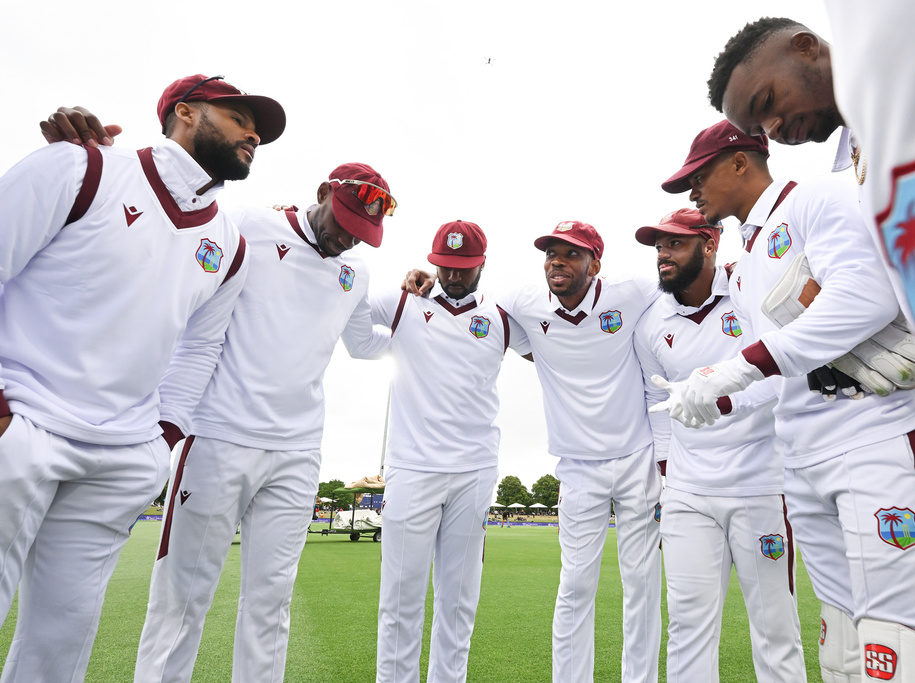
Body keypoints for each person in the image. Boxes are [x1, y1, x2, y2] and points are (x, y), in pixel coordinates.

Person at [707, 13, 915, 680]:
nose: (772, 131)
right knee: (851, 642)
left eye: (766, 104)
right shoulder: (843, 159)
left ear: (806, 49)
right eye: (758, 126)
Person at [651, 120, 915, 681]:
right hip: (800, 453)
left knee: (903, 634)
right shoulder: (743, 269)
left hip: (874, 434)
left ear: (741, 162)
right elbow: (776, 375)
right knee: (841, 638)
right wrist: (715, 399)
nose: (692, 192)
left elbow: (864, 297)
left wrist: (736, 368)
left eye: (698, 176)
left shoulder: (819, 197)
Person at [0, 73, 284, 683]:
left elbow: (199, 349)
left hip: (119, 456)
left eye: (258, 128)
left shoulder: (229, 242)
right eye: (238, 117)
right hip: (21, 425)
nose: (253, 133)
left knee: (60, 642)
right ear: (184, 112)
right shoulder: (80, 168)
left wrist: (161, 438)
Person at [131, 161, 393, 683]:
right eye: (342, 222)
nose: (346, 239)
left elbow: (365, 345)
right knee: (182, 598)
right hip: (218, 437)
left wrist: (421, 309)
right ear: (322, 193)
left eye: (362, 234)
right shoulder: (248, 223)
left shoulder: (355, 273)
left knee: (271, 604)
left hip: (297, 451)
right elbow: (177, 268)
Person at [349, 220, 529, 683]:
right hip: (412, 469)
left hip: (474, 471)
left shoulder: (502, 318)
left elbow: (560, 348)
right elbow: (349, 317)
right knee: (401, 598)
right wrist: (396, 285)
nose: (452, 277)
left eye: (463, 269)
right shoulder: (405, 301)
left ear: (482, 265)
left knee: (458, 600)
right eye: (444, 266)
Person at [633, 208, 805, 682]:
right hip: (689, 495)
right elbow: (657, 405)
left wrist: (723, 401)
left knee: (774, 626)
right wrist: (669, 478)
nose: (663, 256)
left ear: (710, 244)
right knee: (688, 625)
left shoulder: (749, 293)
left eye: (675, 245)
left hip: (759, 486)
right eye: (659, 247)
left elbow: (783, 371)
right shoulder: (651, 323)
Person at [497, 222, 662, 683]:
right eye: (551, 253)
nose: (557, 262)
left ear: (595, 263)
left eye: (571, 254)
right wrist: (424, 284)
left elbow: (685, 284)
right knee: (574, 586)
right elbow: (473, 303)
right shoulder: (525, 303)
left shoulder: (632, 292)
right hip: (577, 466)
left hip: (637, 459)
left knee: (641, 586)